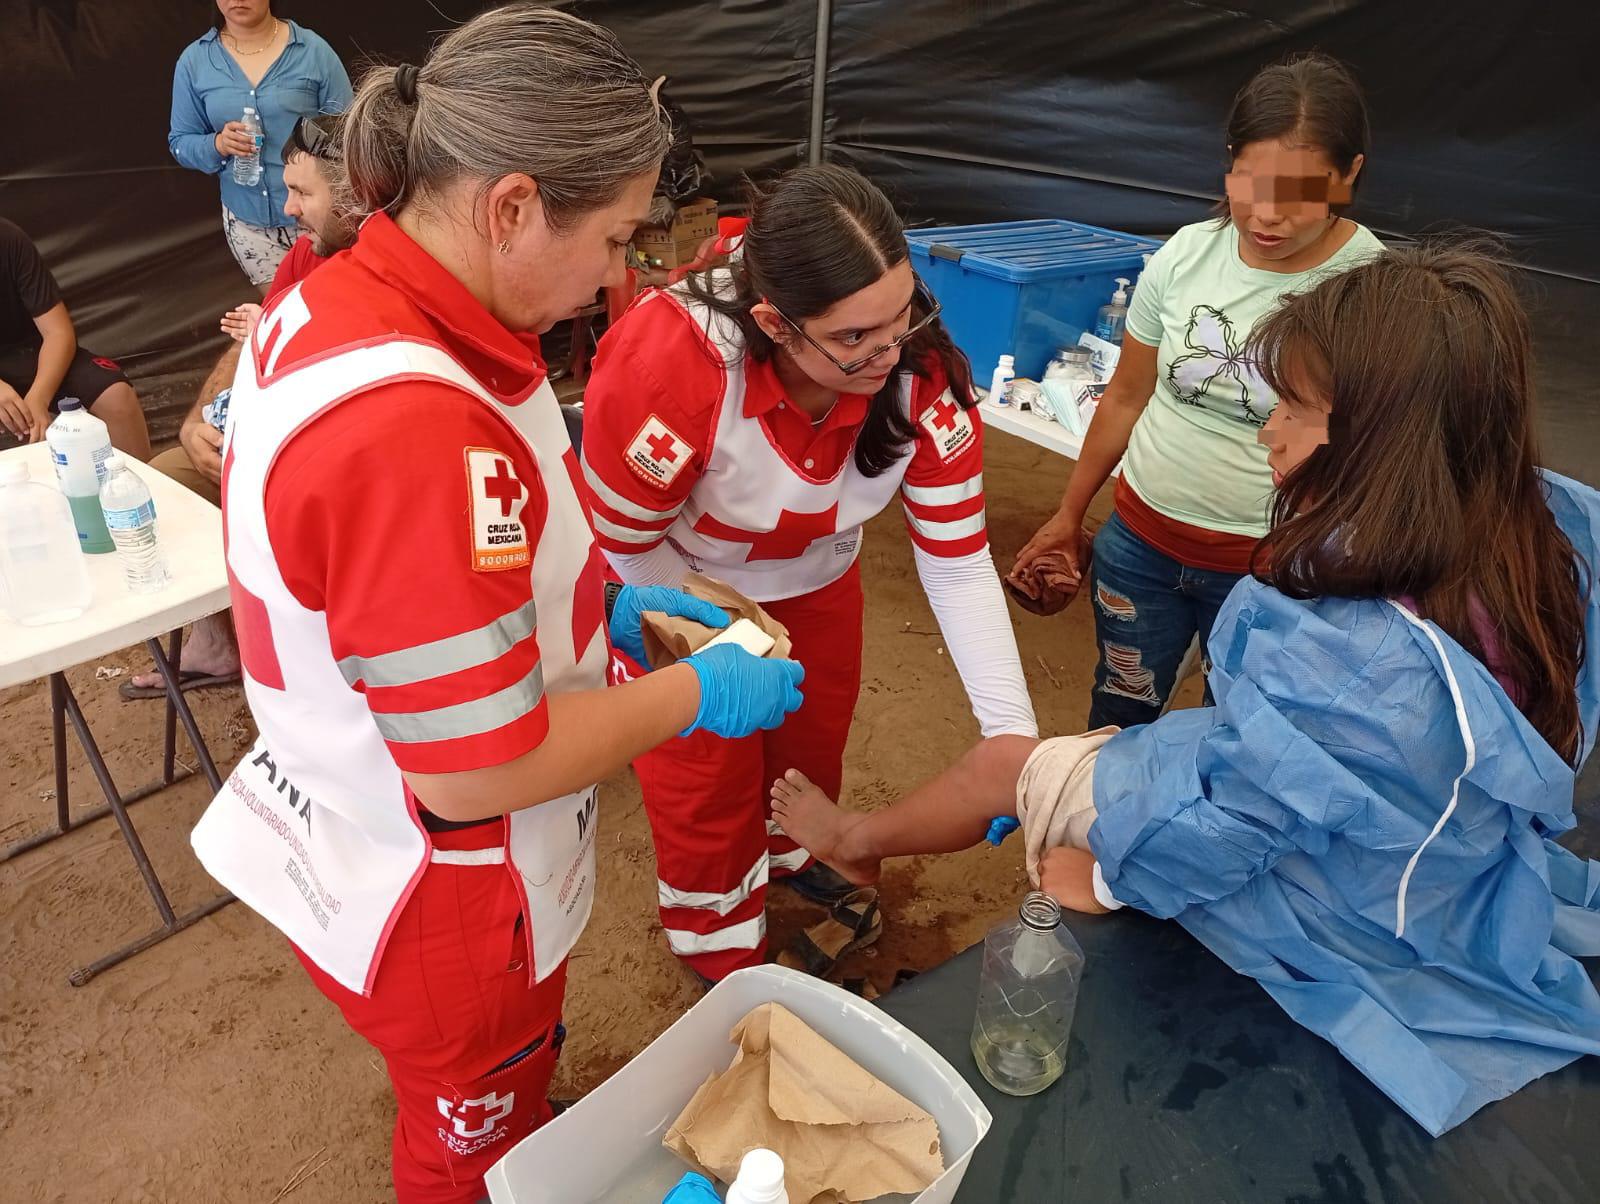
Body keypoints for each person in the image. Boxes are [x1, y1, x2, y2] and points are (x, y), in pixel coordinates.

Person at [771, 245, 1600, 1139]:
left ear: (1381, 445)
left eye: (1294, 407)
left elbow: (1237, 825)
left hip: (1332, 883)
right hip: (1441, 852)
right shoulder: (1551, 530)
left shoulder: (1340, 662)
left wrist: (1120, 880)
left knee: (1005, 766)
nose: (1266, 431)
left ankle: (857, 843)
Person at [187, 9, 803, 1202]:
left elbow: (411, 575)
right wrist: (693, 690)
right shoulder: (415, 424)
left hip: (361, 814)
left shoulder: (354, 289)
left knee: (496, 1099)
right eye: (617, 237)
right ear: (513, 205)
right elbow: (473, 767)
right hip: (448, 890)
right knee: (465, 1143)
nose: (621, 276)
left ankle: (514, 1108)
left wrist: (591, 601)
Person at [581, 164, 1038, 983]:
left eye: (901, 318)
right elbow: (624, 543)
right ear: (774, 323)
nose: (888, 353)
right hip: (677, 578)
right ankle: (719, 947)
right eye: (855, 339)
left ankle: (791, 856)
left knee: (808, 740)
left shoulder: (920, 370)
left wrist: (1014, 736)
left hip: (819, 583)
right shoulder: (670, 366)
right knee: (704, 776)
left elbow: (959, 559)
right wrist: (712, 631)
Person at [1011, 53, 1382, 728]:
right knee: (1120, 712)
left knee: (1247, 730)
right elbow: (1126, 395)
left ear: (1349, 176)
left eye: (1301, 192)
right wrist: (1069, 516)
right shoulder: (1185, 254)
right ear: (1231, 162)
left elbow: (1375, 447)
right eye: (1252, 183)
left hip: (1273, 574)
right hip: (1140, 547)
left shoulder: (1373, 291)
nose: (1268, 216)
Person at [122, 114, 356, 700]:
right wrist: (199, 420)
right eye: (287, 190)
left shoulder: (382, 265)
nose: (289, 211)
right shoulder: (307, 253)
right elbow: (247, 343)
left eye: (303, 193)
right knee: (158, 484)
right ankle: (218, 641)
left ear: (358, 196)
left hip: (309, 459)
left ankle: (322, 676)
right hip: (257, 438)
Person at [169, 0, 352, 289]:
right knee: (284, 314)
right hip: (248, 223)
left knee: (334, 305)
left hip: (317, 218)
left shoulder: (312, 50)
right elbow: (180, 142)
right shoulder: (195, 61)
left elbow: (349, 133)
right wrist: (217, 144)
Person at [0, 216, 150, 459]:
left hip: (29, 353)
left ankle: (139, 490)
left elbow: (57, 332)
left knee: (116, 397)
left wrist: (38, 397)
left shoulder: (8, 237)